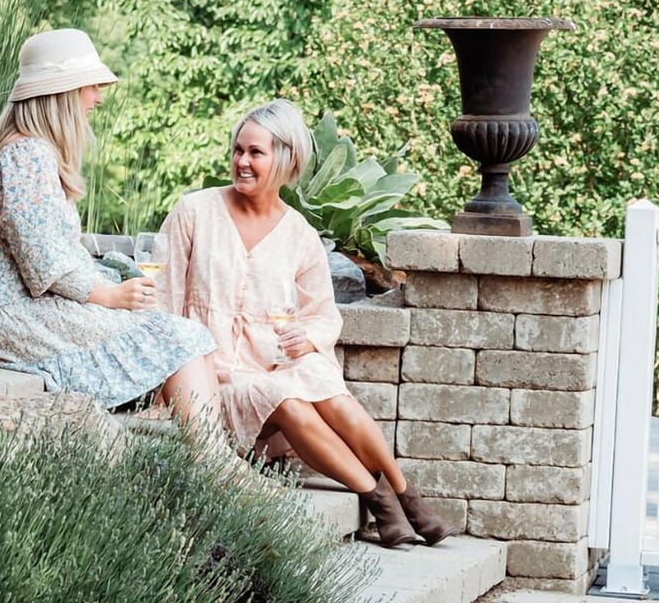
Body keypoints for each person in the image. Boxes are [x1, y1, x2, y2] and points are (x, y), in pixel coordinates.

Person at [157, 99, 456, 547]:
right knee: (289, 397)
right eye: (239, 150)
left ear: (287, 158)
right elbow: (163, 303)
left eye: (255, 153)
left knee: (324, 383)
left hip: (275, 364)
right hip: (215, 376)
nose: (242, 162)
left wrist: (308, 336)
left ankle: (405, 493)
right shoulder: (195, 212)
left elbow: (322, 314)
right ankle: (379, 499)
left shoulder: (299, 233)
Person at [0, 29, 220, 430]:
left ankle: (215, 457)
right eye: (93, 86)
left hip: (26, 309)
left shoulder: (32, 152)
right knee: (180, 337)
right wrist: (109, 294)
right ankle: (214, 465)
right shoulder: (25, 156)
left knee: (189, 337)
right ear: (63, 93)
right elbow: (45, 264)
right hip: (13, 316)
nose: (99, 97)